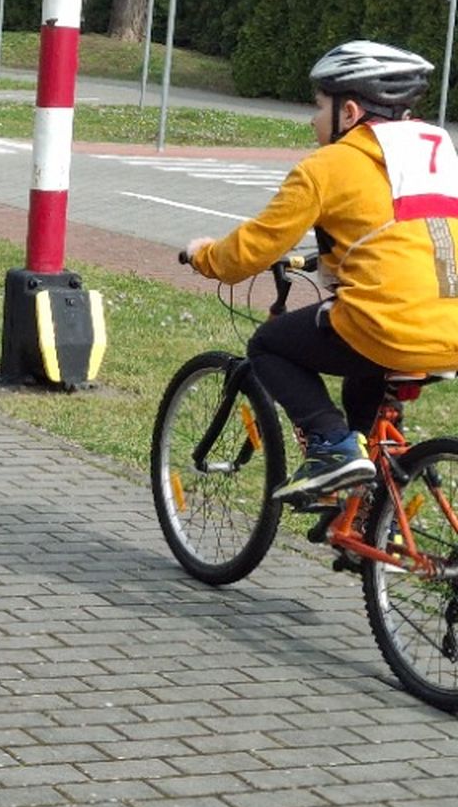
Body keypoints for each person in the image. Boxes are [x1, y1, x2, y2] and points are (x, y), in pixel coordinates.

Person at [184, 40, 458, 505]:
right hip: (449, 329)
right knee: (365, 383)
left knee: (268, 345)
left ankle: (331, 446)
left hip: (388, 328)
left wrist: (204, 256)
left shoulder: (330, 165)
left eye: (318, 107)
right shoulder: (438, 157)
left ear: (349, 112)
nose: (313, 120)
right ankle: (374, 514)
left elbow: (253, 249)